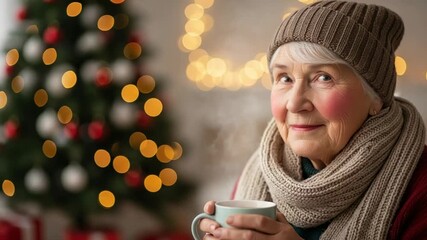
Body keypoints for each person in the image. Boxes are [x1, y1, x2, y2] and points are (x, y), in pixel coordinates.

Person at [197, 1, 427, 239]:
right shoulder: (260, 172)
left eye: (323, 77)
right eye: (284, 78)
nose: (295, 103)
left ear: (375, 98)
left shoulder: (419, 188)